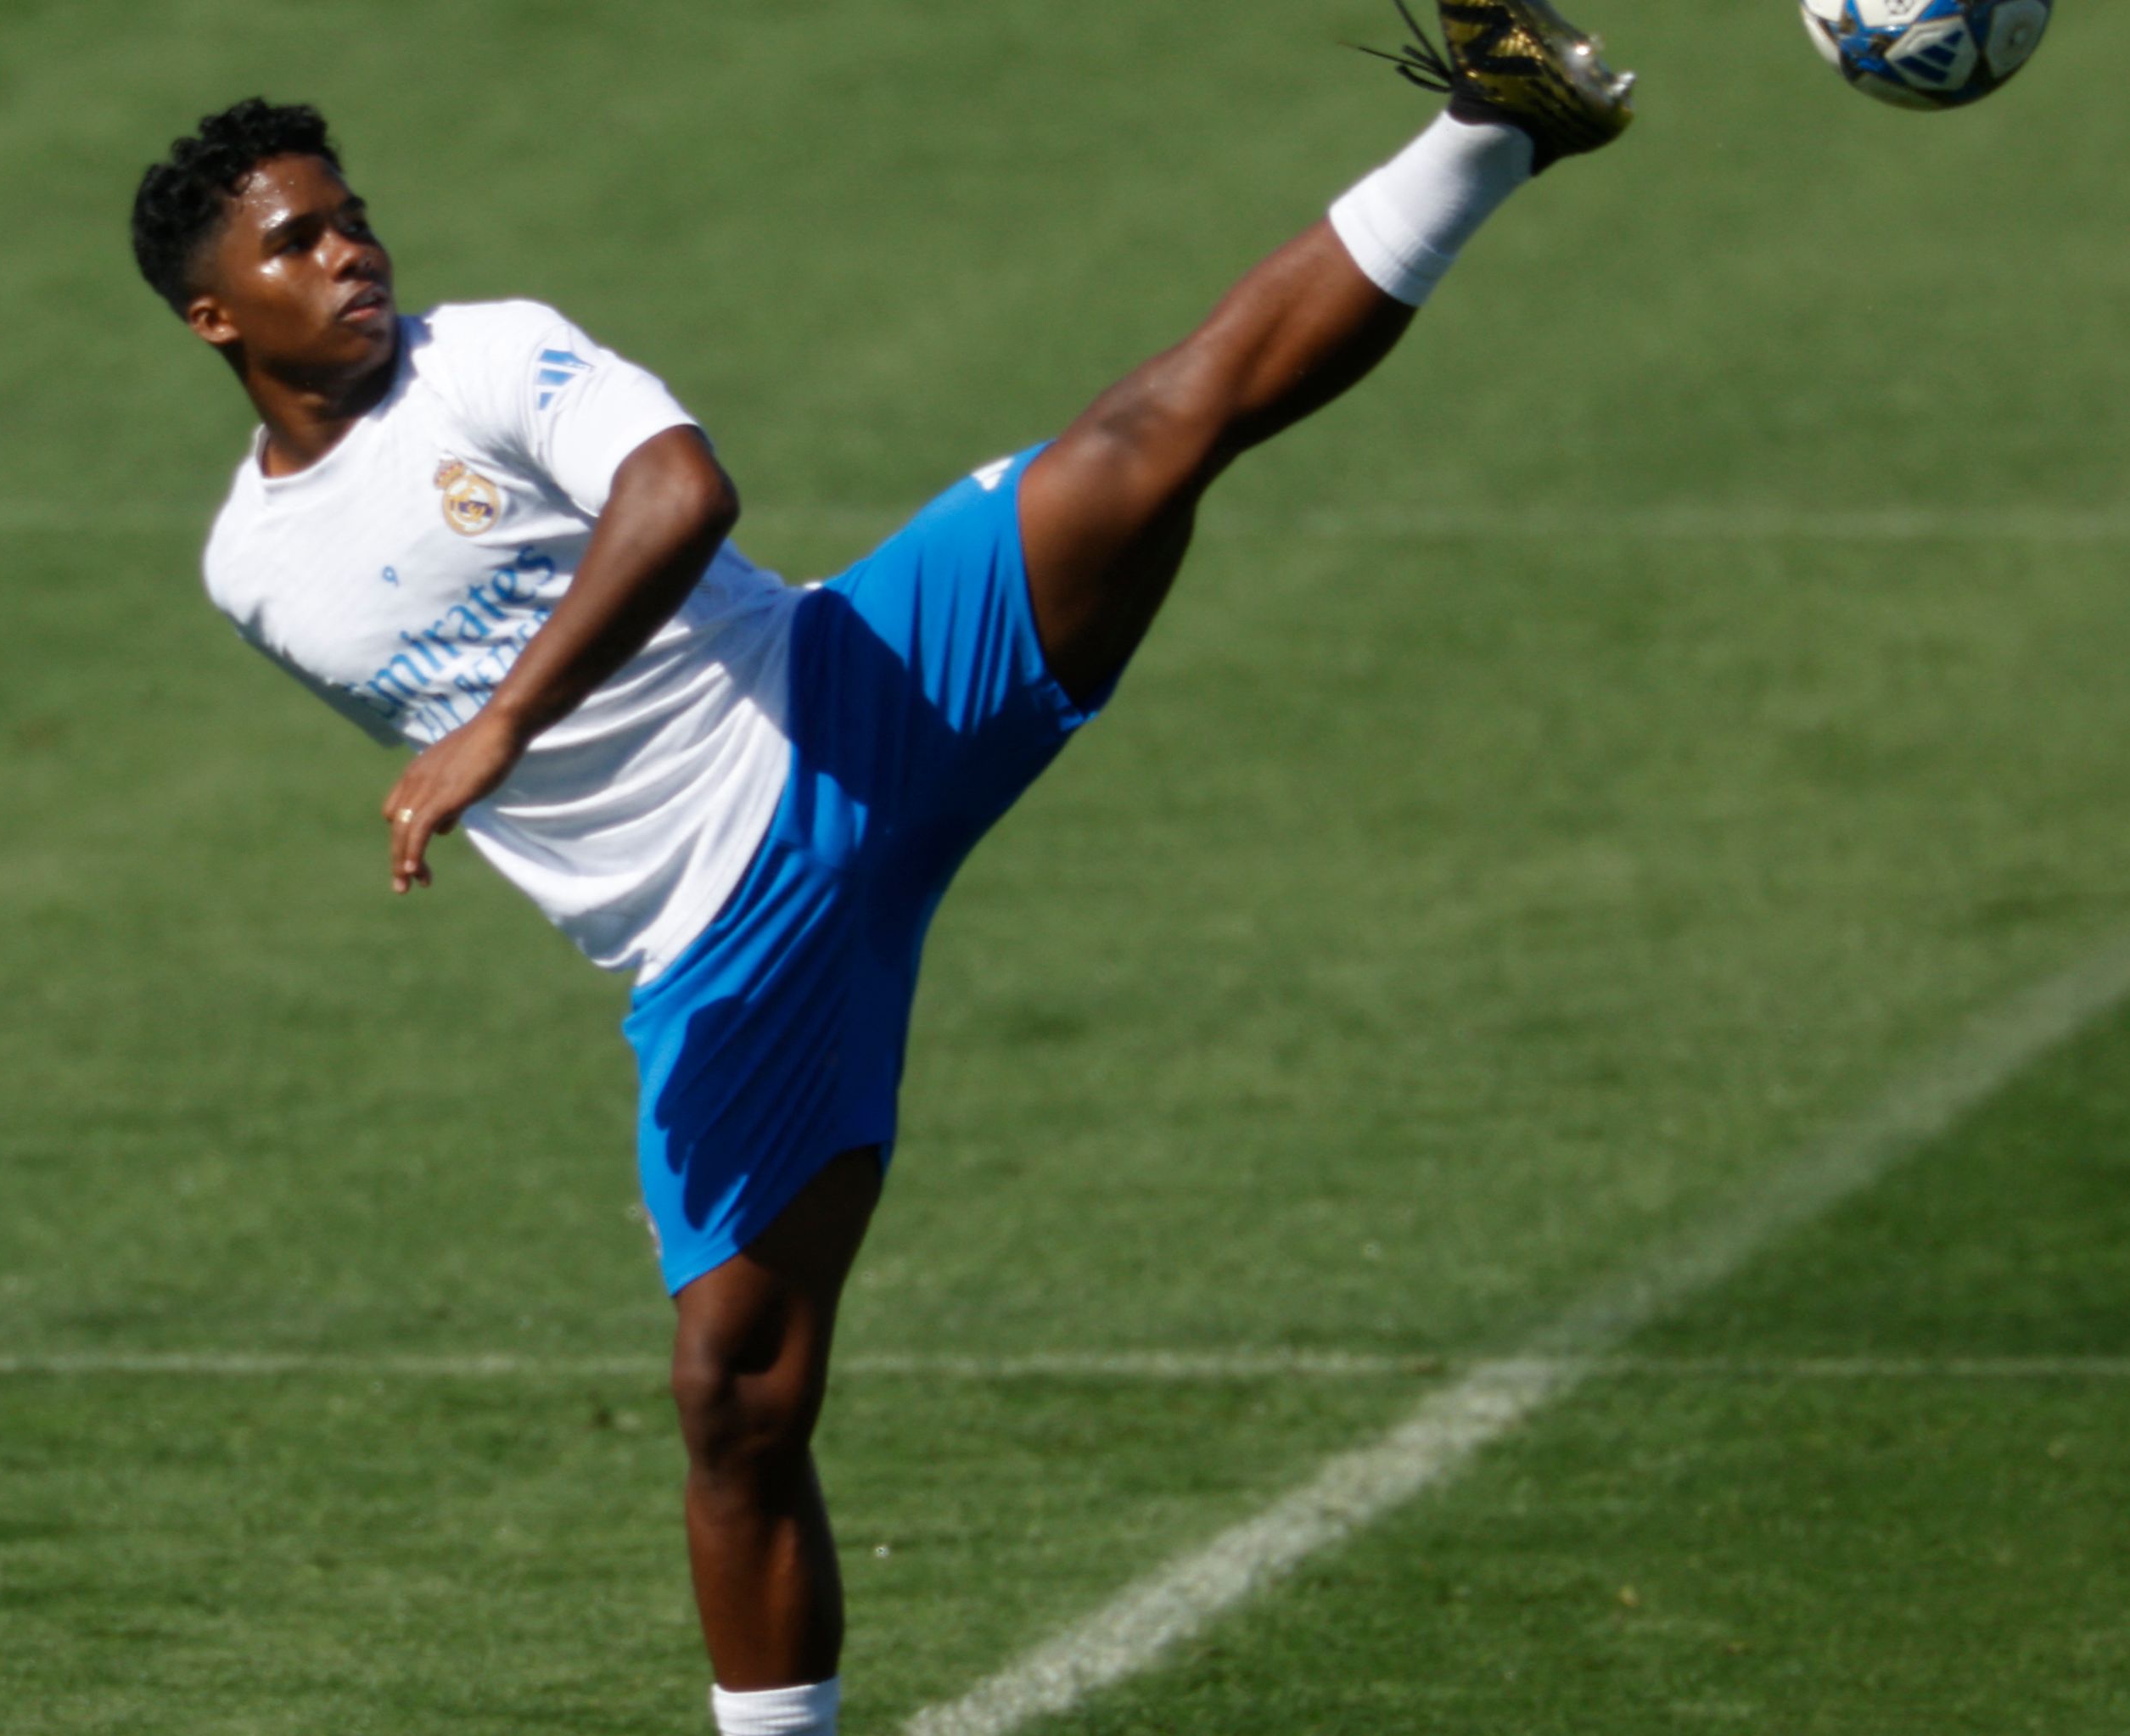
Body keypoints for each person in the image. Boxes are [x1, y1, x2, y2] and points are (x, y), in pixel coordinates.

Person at [127, 5, 1631, 1731]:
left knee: (1151, 436)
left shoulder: (487, 358)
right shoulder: (249, 571)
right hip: (720, 952)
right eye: (296, 241)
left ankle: (1497, 124)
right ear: (215, 314)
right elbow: (565, 811)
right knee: (732, 1399)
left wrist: (505, 723)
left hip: (842, 699)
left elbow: (681, 494)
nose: (352, 251)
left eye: (351, 212)